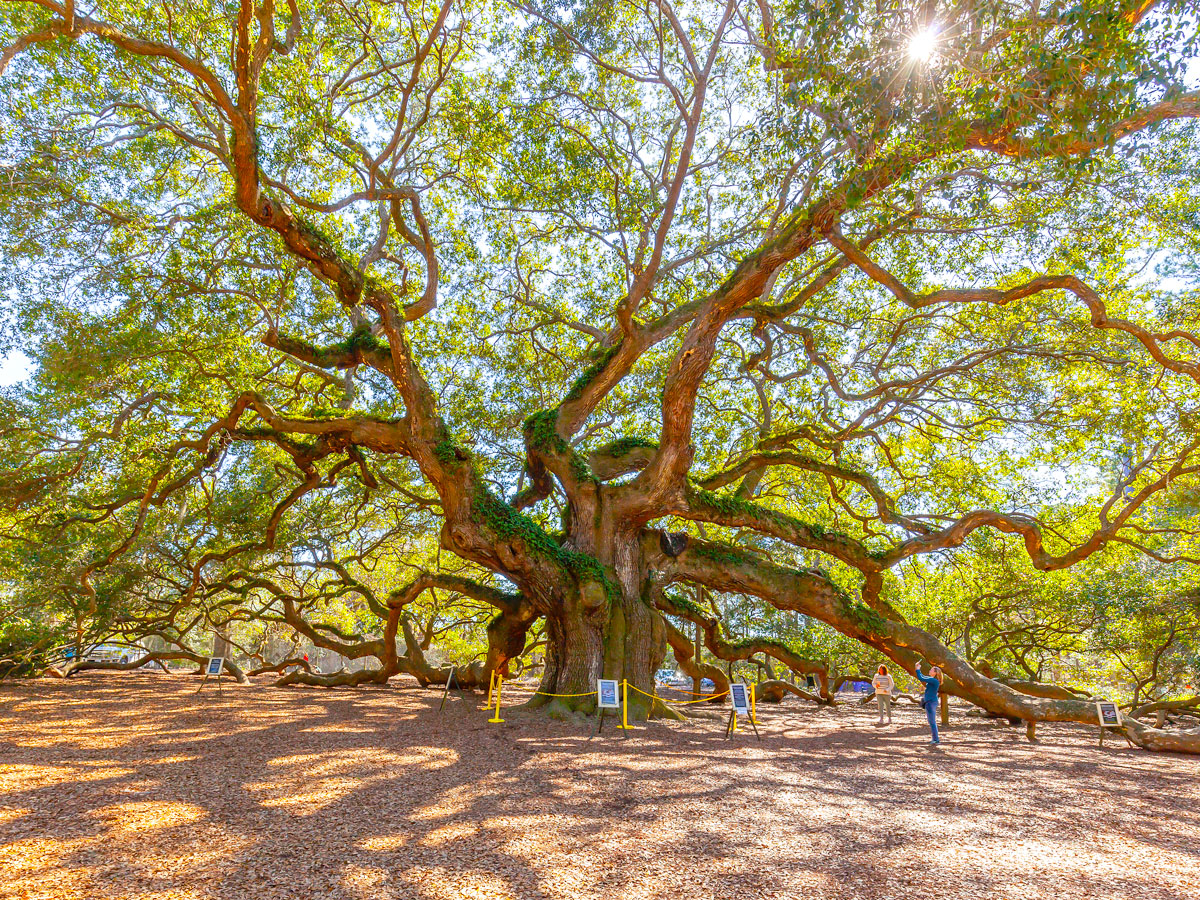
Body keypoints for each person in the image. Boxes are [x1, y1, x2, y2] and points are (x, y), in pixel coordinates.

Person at [915, 662, 943, 745]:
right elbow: (923, 677)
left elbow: (921, 678)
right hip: (929, 702)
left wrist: (917, 669)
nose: (930, 670)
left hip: (931, 703)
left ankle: (936, 739)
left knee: (932, 721)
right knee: (931, 721)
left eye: (931, 670)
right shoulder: (932, 680)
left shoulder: (934, 680)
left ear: (935, 673)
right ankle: (935, 739)